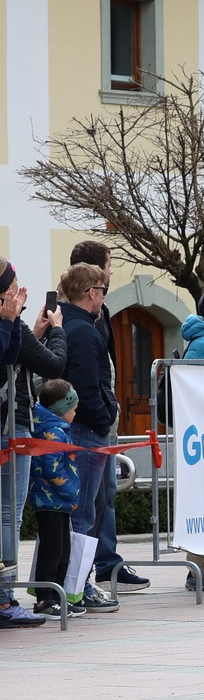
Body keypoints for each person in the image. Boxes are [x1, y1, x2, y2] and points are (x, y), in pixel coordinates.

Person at [55, 263, 123, 610]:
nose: (102, 297)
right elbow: (87, 385)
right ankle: (76, 588)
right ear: (91, 293)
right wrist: (104, 417)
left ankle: (64, 587)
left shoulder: (70, 324)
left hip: (80, 427)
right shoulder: (82, 329)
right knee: (83, 512)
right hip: (85, 430)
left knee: (76, 510)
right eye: (102, 290)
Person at [2, 261, 66, 624]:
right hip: (12, 426)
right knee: (8, 513)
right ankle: (4, 596)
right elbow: (53, 365)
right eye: (14, 287)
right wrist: (56, 331)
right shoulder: (8, 323)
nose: (19, 293)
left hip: (13, 424)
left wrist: (30, 330)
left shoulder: (13, 325)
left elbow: (17, 354)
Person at [28, 378, 81, 616]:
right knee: (52, 551)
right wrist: (71, 492)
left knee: (62, 552)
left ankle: (56, 595)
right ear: (61, 410)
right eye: (72, 407)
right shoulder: (53, 433)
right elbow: (52, 468)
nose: (76, 411)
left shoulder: (58, 430)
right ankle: (44, 598)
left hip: (58, 503)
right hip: (50, 501)